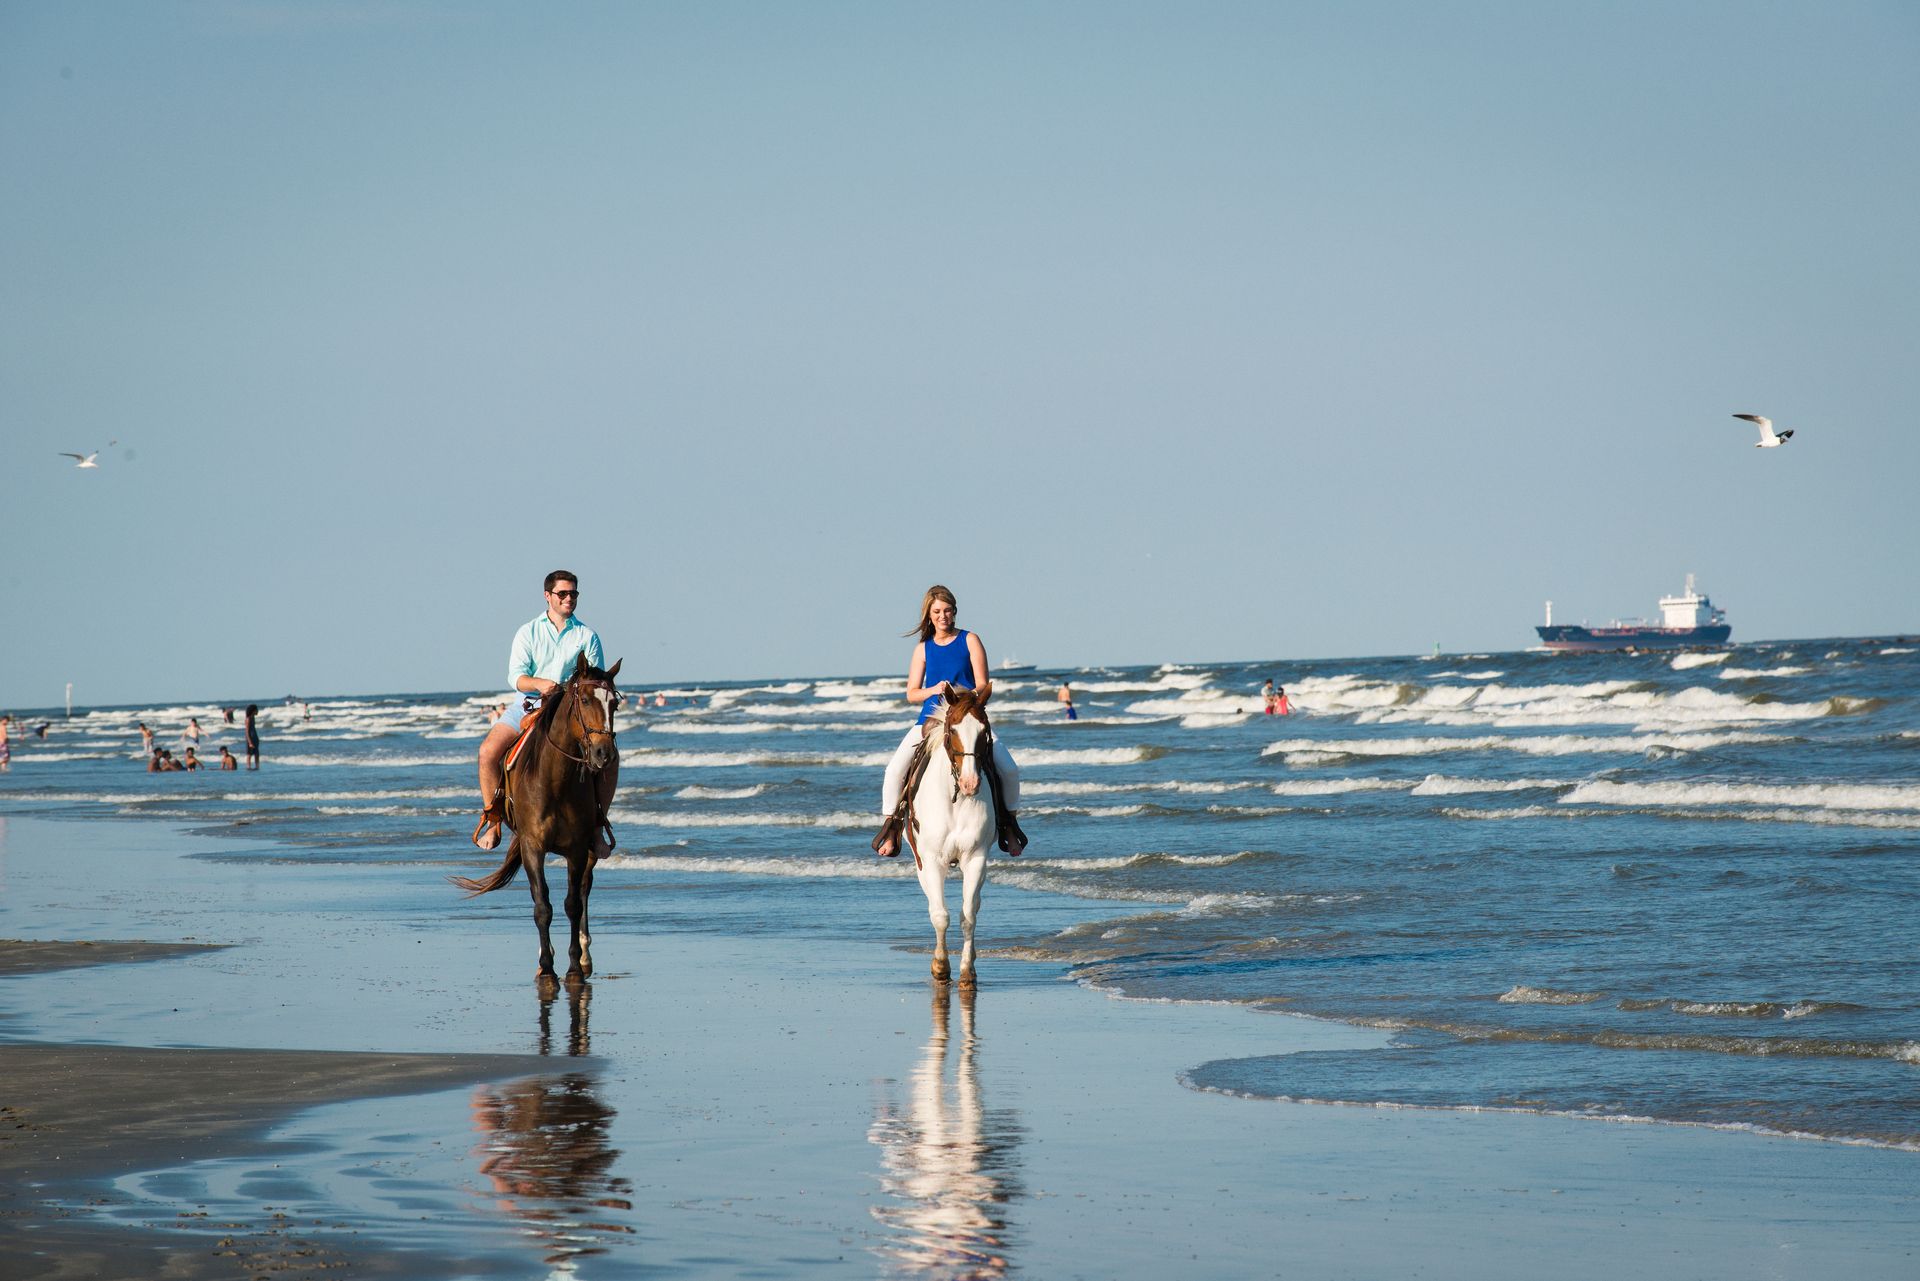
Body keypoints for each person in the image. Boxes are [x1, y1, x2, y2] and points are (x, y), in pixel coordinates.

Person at [872, 584, 1026, 858]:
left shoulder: (970, 640)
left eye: (947, 610)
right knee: (895, 770)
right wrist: (933, 690)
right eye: (937, 611)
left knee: (1009, 769)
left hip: (966, 720)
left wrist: (962, 694)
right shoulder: (923, 648)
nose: (943, 616)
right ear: (929, 615)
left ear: (955, 612)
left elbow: (982, 684)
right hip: (930, 721)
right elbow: (911, 693)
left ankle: (1008, 825)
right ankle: (892, 827)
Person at [474, 570, 617, 860]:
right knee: (488, 752)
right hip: (528, 705)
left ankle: (597, 827)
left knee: (610, 759)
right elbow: (516, 676)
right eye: (562, 594)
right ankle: (493, 820)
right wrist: (539, 683)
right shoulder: (528, 632)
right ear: (548, 596)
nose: (569, 599)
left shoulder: (587, 635)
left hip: (571, 712)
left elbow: (596, 680)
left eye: (573, 594)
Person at [244, 704, 260, 770]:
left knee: (257, 754)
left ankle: (257, 767)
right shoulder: (248, 719)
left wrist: (257, 738)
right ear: (253, 711)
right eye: (256, 710)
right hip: (250, 738)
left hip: (255, 737)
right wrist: (250, 742)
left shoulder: (253, 718)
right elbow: (247, 731)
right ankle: (248, 767)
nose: (257, 711)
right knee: (249, 754)